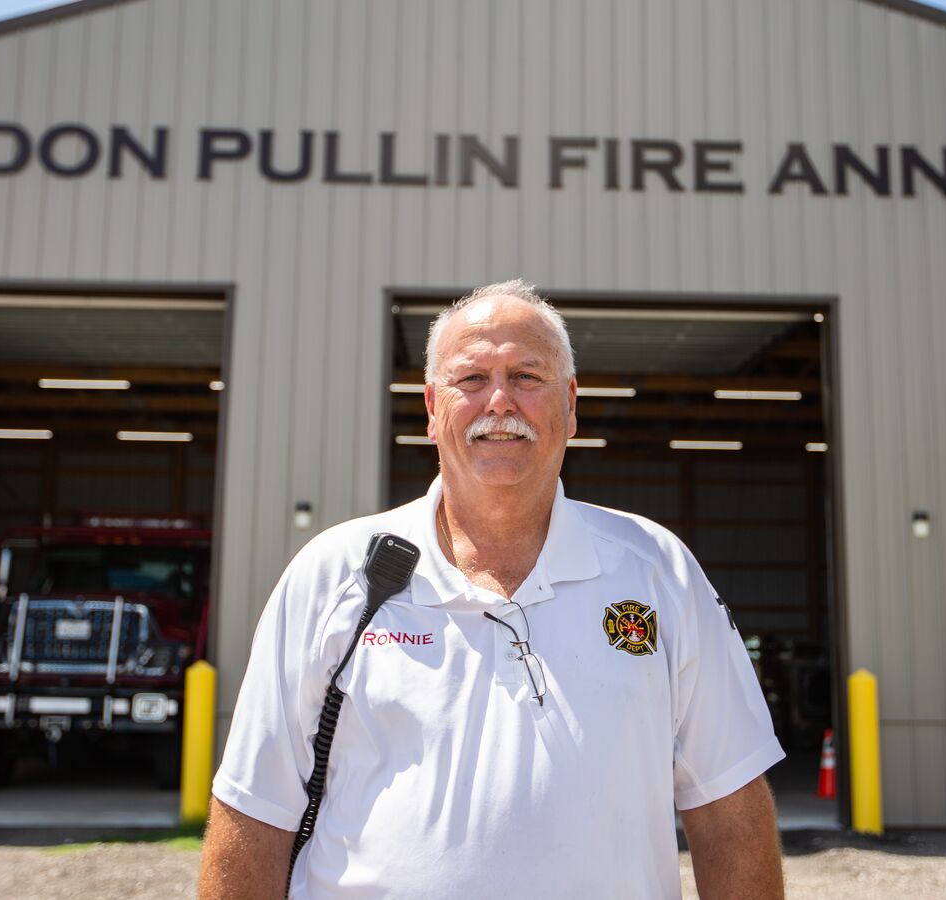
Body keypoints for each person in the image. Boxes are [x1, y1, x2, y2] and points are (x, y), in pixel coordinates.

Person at [200, 280, 785, 899]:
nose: (499, 402)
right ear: (431, 407)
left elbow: (729, 808)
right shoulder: (334, 574)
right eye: (471, 379)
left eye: (527, 376)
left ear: (570, 403)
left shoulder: (657, 571)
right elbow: (254, 812)